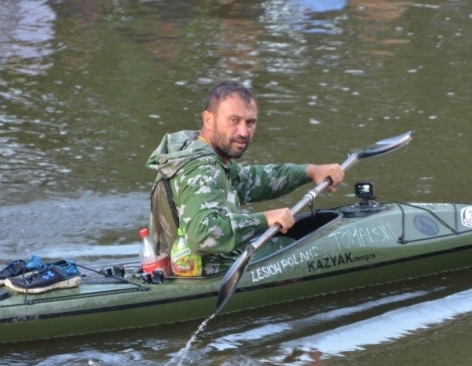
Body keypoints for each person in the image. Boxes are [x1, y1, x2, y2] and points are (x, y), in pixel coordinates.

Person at [146, 80, 344, 276]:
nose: (243, 132)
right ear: (208, 119)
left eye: (250, 122)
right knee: (299, 247)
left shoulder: (199, 153)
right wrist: (264, 219)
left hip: (183, 263)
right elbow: (202, 235)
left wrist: (309, 171)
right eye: (234, 121)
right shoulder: (203, 169)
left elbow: (252, 180)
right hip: (210, 270)